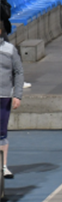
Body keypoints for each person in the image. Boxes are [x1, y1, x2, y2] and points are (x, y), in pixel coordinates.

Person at [0, 24, 24, 179]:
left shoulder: (10, 49)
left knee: (1, 133)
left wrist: (18, 95)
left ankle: (3, 167)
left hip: (4, 97)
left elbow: (19, 71)